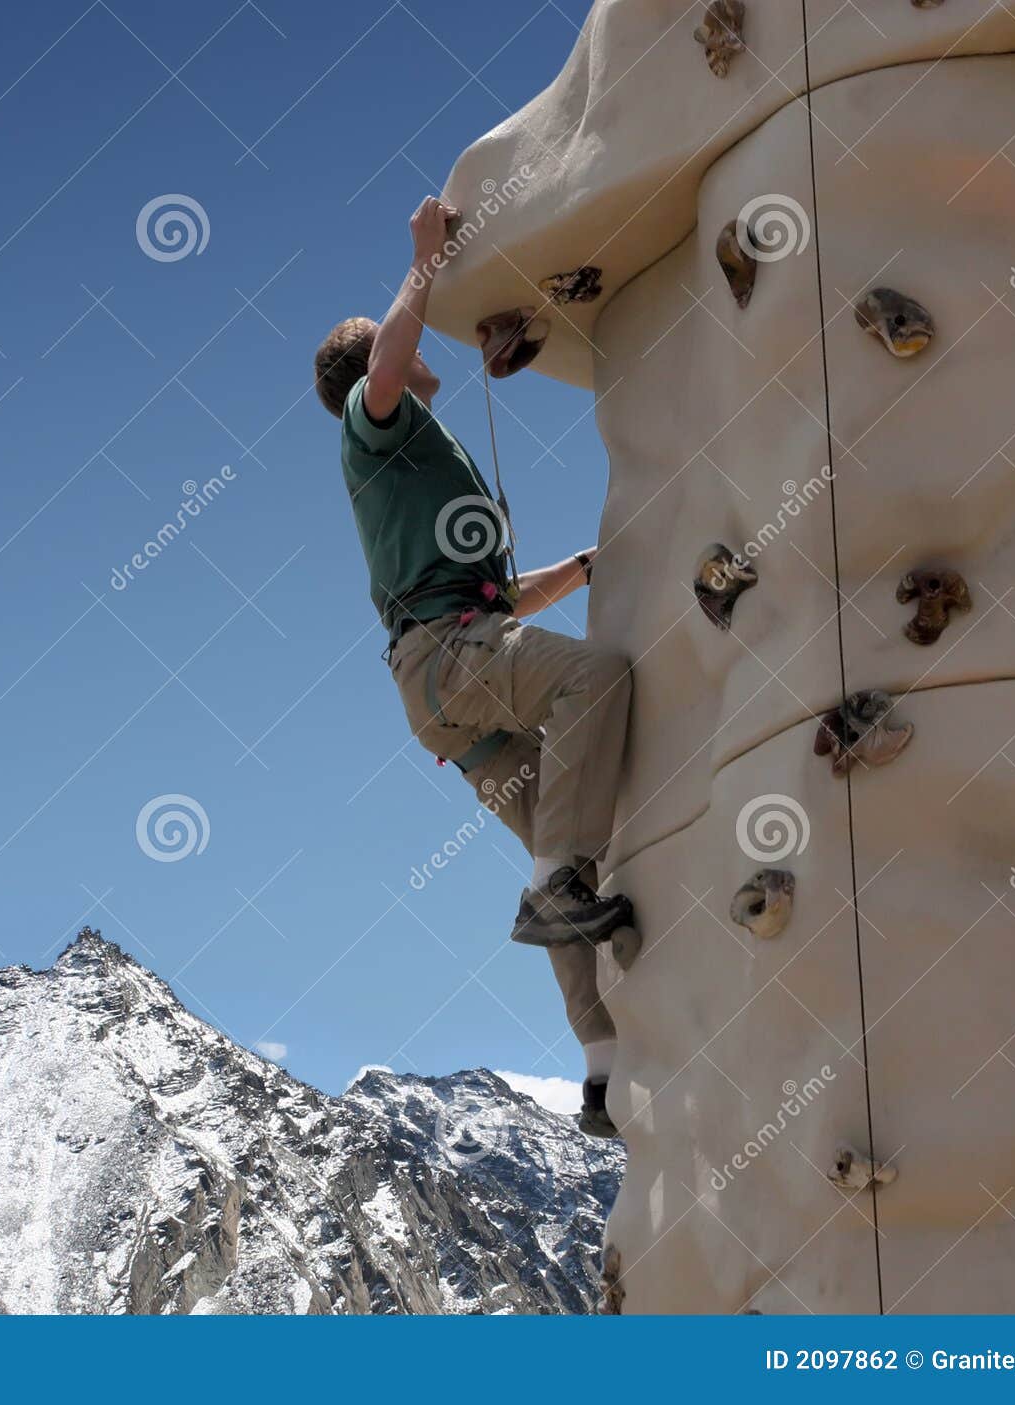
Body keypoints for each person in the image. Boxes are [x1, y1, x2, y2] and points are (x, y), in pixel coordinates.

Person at [314, 196, 637, 1137]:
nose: (422, 352)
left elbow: (496, 601)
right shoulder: (373, 424)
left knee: (567, 859)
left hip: (445, 684)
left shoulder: (406, 466)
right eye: (399, 342)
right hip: (452, 659)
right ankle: (556, 885)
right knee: (595, 681)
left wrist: (583, 569)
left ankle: (602, 1069)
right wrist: (423, 259)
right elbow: (385, 366)